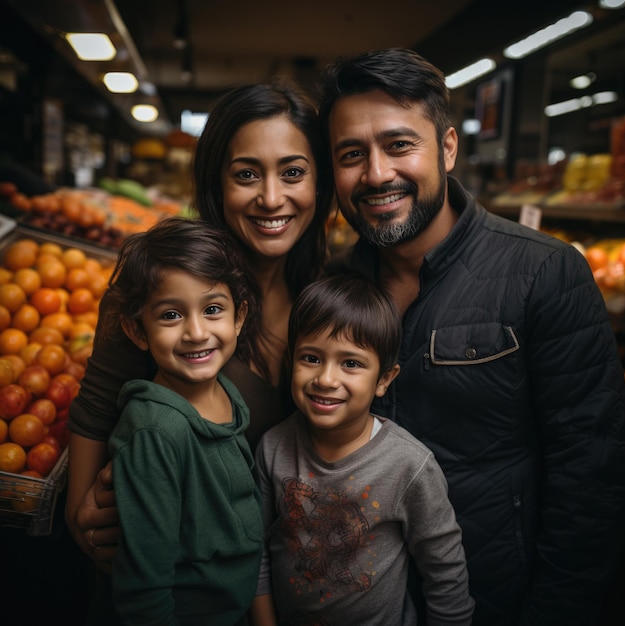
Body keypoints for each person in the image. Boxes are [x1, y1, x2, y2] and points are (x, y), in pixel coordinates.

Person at [318, 48, 625, 625]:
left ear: (448, 148)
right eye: (352, 154)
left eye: (400, 145)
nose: (377, 173)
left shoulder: (545, 272)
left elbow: (591, 476)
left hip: (499, 604)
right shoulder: (333, 287)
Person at [64, 80, 331, 620]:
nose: (272, 198)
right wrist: (82, 520)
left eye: (294, 172)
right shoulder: (156, 290)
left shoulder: (327, 295)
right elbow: (93, 424)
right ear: (216, 181)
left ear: (320, 183)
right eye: (247, 174)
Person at [250, 274, 475, 626]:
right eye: (310, 357)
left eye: (351, 363)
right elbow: (258, 552)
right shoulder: (273, 447)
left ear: (384, 379)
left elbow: (445, 575)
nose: (325, 378)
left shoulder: (408, 466)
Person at [101, 217, 263, 624]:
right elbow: (145, 588)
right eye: (171, 315)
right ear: (138, 332)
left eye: (212, 310)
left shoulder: (224, 391)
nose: (195, 332)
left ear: (238, 317)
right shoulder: (156, 432)